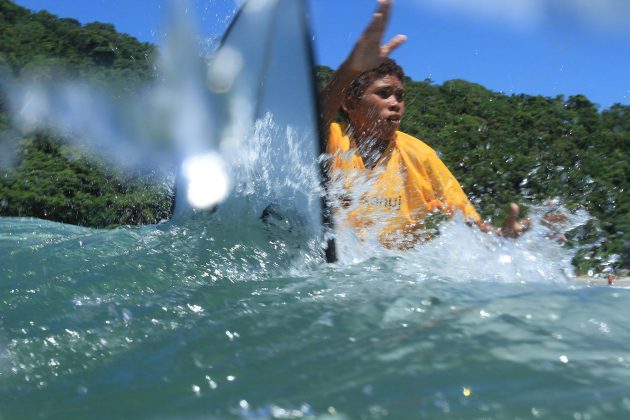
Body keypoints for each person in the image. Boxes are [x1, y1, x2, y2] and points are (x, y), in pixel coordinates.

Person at [320, 0, 529, 249]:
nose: (395, 103)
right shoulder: (333, 139)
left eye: (400, 96)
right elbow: (313, 121)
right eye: (384, 93)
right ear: (350, 103)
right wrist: (350, 69)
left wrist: (502, 235)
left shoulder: (420, 156)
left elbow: (470, 223)